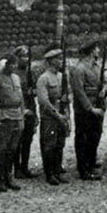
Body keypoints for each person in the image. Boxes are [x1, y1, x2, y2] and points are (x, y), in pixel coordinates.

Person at [0, 51, 24, 193]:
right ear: (5, 65)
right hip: (3, 116)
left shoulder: (16, 78)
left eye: (15, 63)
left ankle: (9, 177)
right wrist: (0, 67)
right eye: (11, 64)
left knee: (12, 150)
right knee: (2, 149)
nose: (14, 66)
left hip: (17, 116)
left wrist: (22, 117)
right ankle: (0, 180)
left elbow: (21, 99)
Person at [69, 41, 105, 180]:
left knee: (95, 136)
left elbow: (103, 82)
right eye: (96, 48)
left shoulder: (96, 66)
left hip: (98, 106)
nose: (98, 50)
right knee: (83, 139)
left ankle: (91, 162)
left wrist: (104, 90)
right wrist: (90, 108)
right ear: (91, 51)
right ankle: (84, 170)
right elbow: (79, 91)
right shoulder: (79, 69)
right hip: (85, 110)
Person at [36, 48, 70, 185]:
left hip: (61, 115)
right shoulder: (43, 79)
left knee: (59, 144)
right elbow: (43, 101)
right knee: (49, 145)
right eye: (58, 59)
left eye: (61, 58)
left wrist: (66, 105)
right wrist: (57, 115)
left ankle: (57, 170)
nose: (60, 61)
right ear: (50, 61)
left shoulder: (62, 77)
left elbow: (68, 95)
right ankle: (49, 173)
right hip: (50, 117)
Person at [13, 46, 39, 179]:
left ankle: (25, 167)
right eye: (23, 56)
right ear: (17, 58)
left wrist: (33, 92)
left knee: (28, 139)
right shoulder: (14, 73)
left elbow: (35, 89)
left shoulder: (30, 72)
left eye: (27, 56)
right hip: (18, 109)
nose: (25, 59)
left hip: (30, 107)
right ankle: (16, 168)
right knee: (17, 139)